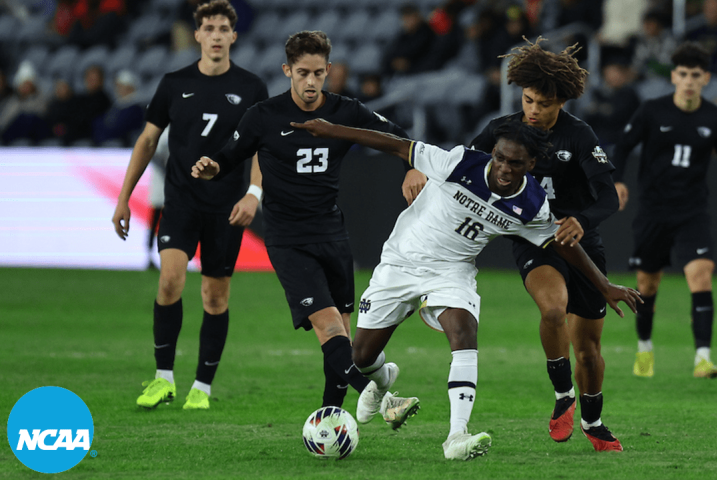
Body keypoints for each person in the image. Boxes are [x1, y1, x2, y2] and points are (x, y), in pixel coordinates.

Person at [271, 117, 641, 460]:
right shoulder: (458, 162)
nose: (504, 168)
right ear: (492, 152)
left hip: (452, 272)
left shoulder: (531, 205)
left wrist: (603, 284)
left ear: (530, 165)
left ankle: (456, 436)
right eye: (500, 158)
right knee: (362, 356)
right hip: (400, 263)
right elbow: (395, 145)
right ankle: (382, 380)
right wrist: (331, 129)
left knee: (464, 331)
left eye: (515, 163)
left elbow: (561, 243)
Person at [187, 30, 422, 421]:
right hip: (288, 239)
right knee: (328, 327)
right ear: (287, 71)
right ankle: (383, 401)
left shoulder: (345, 111)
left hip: (332, 233)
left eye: (318, 73)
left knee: (342, 335)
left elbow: (398, 137)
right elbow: (229, 156)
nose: (311, 82)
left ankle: (331, 420)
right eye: (302, 73)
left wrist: (411, 168)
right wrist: (213, 167)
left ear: (328, 70)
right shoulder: (263, 116)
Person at [111, 0, 268, 410]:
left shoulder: (252, 88)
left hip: (226, 208)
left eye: (223, 29)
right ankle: (163, 379)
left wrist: (254, 194)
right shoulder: (173, 83)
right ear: (197, 34)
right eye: (209, 28)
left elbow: (261, 149)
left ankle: (202, 387)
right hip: (181, 201)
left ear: (234, 36)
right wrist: (124, 198)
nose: (216, 36)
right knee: (169, 281)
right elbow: (147, 141)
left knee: (215, 297)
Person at [470, 38, 624, 452]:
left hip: (581, 244)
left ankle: (593, 421)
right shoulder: (502, 130)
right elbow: (462, 168)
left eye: (544, 104)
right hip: (533, 242)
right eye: (528, 100)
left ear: (562, 102)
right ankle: (562, 395)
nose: (534, 110)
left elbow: (608, 197)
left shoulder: (579, 135)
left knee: (588, 352)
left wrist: (581, 220)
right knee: (553, 310)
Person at [611, 42, 717, 380]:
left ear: (706, 79)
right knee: (647, 284)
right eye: (683, 74)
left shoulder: (716, 118)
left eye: (695, 75)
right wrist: (618, 181)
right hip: (653, 211)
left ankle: (703, 358)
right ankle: (644, 348)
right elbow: (623, 146)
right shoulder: (651, 111)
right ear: (673, 77)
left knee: (701, 276)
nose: (688, 81)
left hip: (692, 211)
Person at [92, 69, 145, 146]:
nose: (117, 89)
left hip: (122, 145)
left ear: (130, 87)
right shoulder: (116, 106)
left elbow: (120, 129)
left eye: (121, 86)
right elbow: (99, 123)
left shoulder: (135, 109)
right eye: (117, 86)